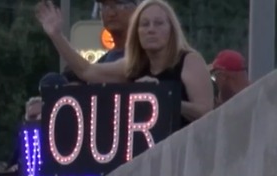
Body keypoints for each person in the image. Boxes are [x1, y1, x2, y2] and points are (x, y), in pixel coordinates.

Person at [35, 0, 213, 126]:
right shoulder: (133, 65)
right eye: (145, 24)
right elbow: (87, 71)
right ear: (137, 32)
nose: (151, 29)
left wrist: (161, 97)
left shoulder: (189, 60)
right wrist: (56, 35)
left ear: (171, 30)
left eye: (159, 23)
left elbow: (207, 113)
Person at [39, 0, 138, 88]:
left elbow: (86, 71)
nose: (111, 13)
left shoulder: (143, 57)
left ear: (136, 10)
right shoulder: (103, 62)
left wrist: (57, 36)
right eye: (105, 6)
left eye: (119, 5)